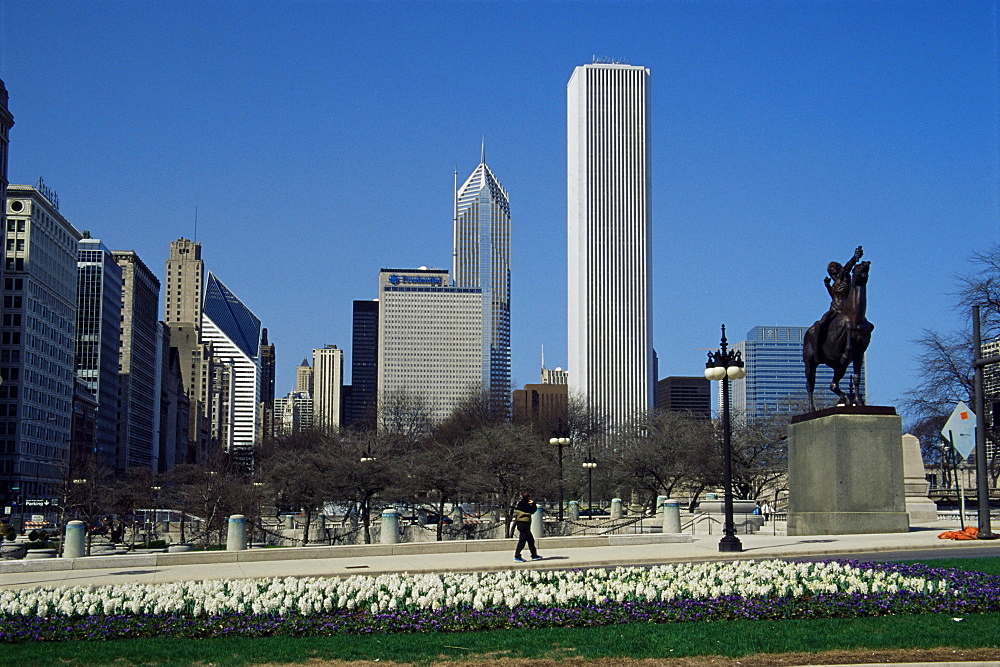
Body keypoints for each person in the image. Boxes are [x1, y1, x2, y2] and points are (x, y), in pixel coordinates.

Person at [513, 491, 542, 562]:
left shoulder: (521, 503)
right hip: (524, 524)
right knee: (522, 540)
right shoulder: (525, 504)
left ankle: (534, 555)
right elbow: (532, 510)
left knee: (530, 540)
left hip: (523, 523)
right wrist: (533, 503)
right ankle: (517, 556)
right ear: (528, 497)